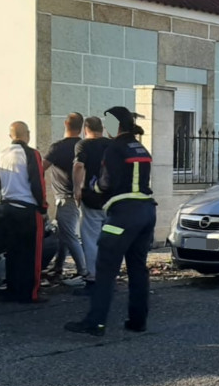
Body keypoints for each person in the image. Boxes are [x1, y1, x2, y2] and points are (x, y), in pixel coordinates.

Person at [64, 106, 156, 336]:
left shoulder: (115, 148)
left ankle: (96, 322)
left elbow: (107, 183)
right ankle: (138, 321)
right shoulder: (141, 147)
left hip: (123, 213)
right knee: (137, 268)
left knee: (105, 268)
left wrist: (89, 189)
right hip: (147, 211)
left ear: (115, 126)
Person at [0, 121, 48, 303]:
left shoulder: (2, 154)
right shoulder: (31, 153)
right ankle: (30, 293)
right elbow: (38, 183)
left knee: (13, 251)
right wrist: (43, 208)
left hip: (8, 206)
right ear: (27, 134)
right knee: (32, 254)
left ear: (10, 135)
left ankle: (12, 289)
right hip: (28, 209)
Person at [43, 113, 88, 285]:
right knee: (63, 233)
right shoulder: (84, 146)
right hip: (82, 195)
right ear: (82, 127)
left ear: (65, 124)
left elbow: (41, 167)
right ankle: (58, 267)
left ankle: (83, 271)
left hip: (66, 196)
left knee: (69, 235)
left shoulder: (58, 147)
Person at [72, 116, 111, 296]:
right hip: (111, 199)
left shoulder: (83, 145)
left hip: (92, 198)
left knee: (90, 240)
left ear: (85, 129)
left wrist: (76, 189)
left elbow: (79, 166)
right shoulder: (111, 145)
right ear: (102, 128)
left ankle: (93, 279)